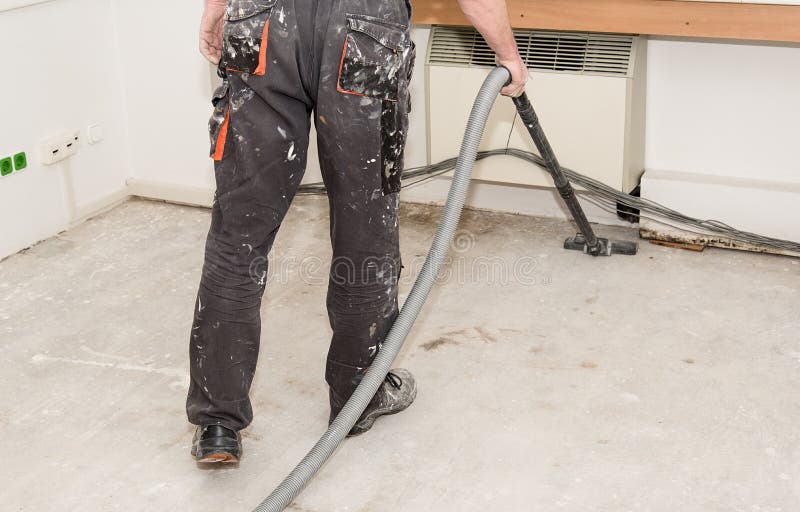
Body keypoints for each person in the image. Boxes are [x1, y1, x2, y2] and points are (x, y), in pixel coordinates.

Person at [189, 0, 528, 464]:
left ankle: (217, 424)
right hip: (362, 33)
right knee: (363, 233)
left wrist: (215, 8)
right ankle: (357, 397)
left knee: (237, 240)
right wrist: (508, 55)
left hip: (262, 24)